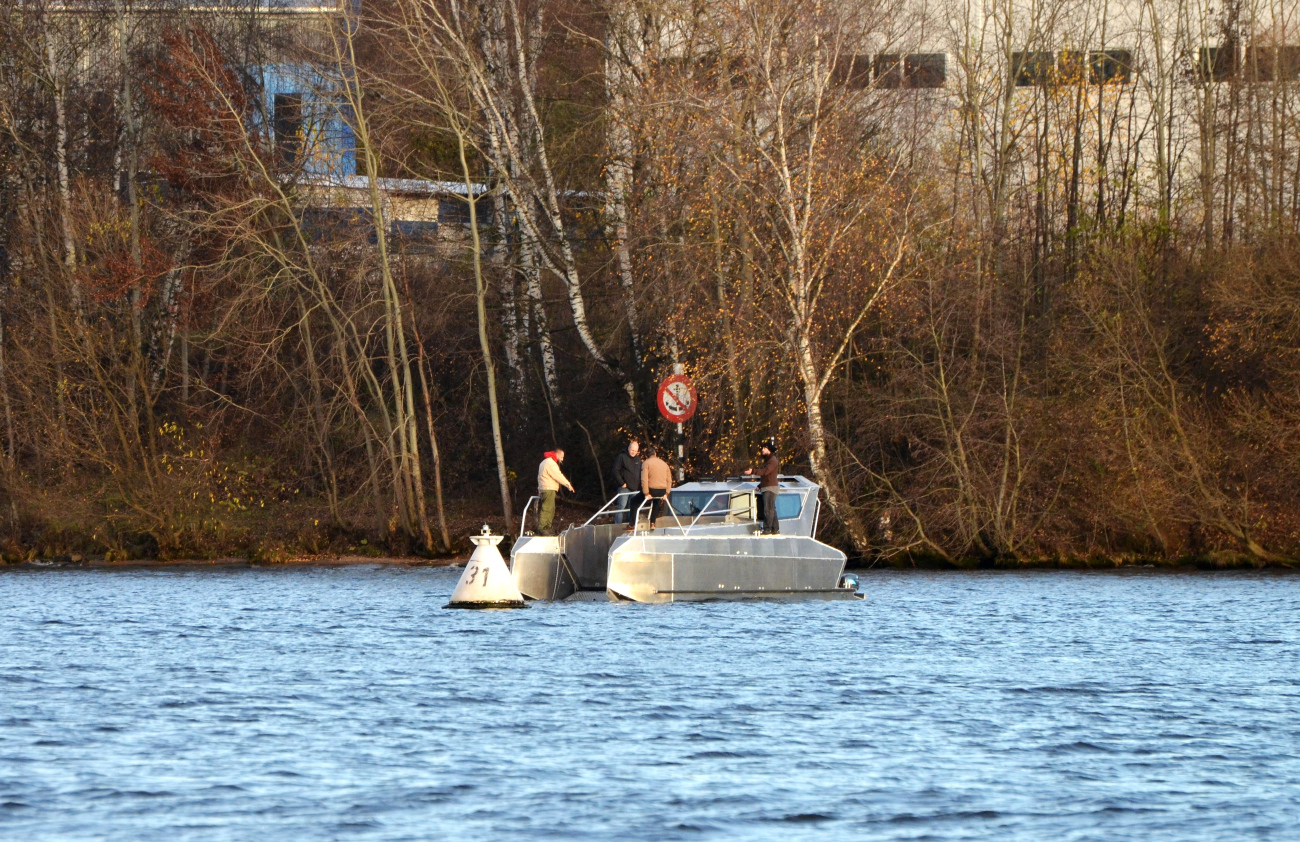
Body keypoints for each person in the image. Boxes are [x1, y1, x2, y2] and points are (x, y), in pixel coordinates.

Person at [743, 437, 781, 535]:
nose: (762, 450)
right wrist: (760, 485)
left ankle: (767, 529)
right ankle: (775, 529)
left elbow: (765, 472)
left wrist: (753, 471)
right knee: (772, 509)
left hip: (770, 488)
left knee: (768, 509)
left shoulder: (773, 460)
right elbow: (768, 476)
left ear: (769, 450)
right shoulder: (768, 461)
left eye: (764, 448)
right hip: (767, 487)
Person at [537, 449, 574, 535]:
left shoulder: (545, 462)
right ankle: (543, 528)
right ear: (558, 454)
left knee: (551, 508)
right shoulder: (550, 463)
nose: (562, 459)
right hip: (548, 488)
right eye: (562, 457)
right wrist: (568, 485)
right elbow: (558, 475)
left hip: (545, 488)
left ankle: (548, 527)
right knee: (547, 508)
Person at [610, 438, 642, 526]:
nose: (633, 452)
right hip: (624, 488)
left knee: (632, 508)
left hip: (635, 488)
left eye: (635, 451)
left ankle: (630, 525)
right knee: (621, 507)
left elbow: (640, 473)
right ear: (628, 448)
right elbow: (615, 470)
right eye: (632, 450)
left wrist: (639, 485)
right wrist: (622, 483)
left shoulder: (638, 460)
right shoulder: (621, 457)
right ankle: (617, 525)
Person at [640, 445, 673, 524]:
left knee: (634, 502)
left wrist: (646, 493)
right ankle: (653, 522)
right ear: (655, 454)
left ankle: (631, 524)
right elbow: (669, 480)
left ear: (646, 456)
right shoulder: (664, 464)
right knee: (656, 502)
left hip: (651, 490)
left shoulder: (646, 463)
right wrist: (667, 493)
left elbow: (644, 479)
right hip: (662, 491)